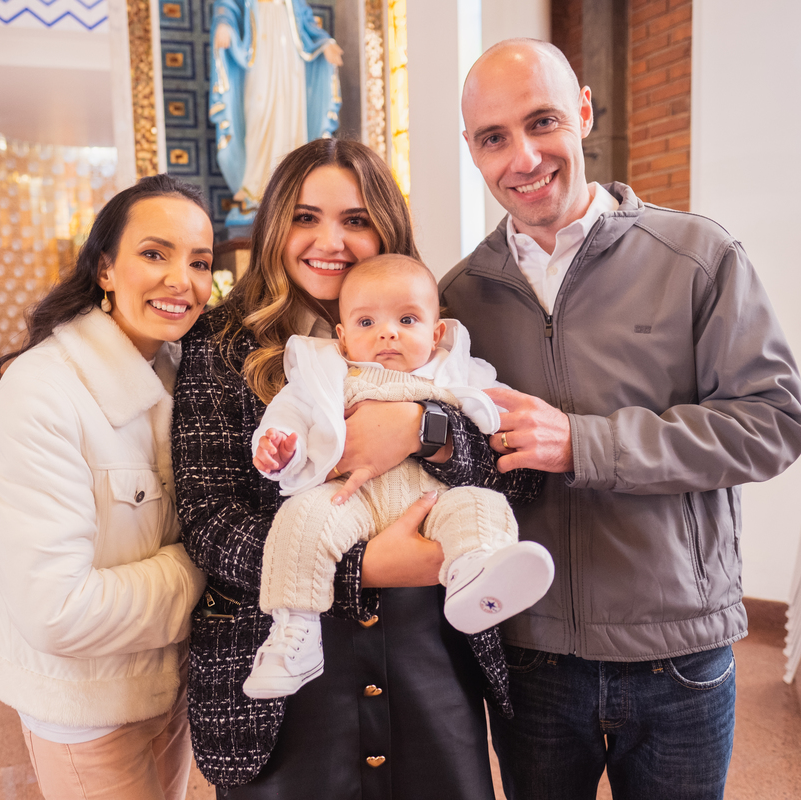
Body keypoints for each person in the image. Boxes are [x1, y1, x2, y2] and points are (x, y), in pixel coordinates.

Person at [441, 39, 801, 800]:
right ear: (473, 151)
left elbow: (773, 422)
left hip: (679, 655)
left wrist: (586, 443)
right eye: (493, 138)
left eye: (541, 122)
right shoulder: (459, 298)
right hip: (530, 652)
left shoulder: (699, 256)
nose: (524, 157)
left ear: (582, 112)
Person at [172, 137, 542, 798]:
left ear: (386, 229)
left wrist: (422, 429)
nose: (330, 241)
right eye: (306, 217)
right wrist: (363, 569)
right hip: (284, 661)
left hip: (426, 650)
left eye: (356, 219)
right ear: (275, 226)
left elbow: (518, 472)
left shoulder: (433, 331)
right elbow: (210, 522)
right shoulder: (223, 342)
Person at [0, 175, 212, 800]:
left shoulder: (186, 370)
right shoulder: (42, 392)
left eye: (200, 262)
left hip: (171, 685)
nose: (180, 280)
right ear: (105, 268)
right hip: (87, 709)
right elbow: (56, 610)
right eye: (154, 253)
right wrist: (210, 567)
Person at [243, 254, 554, 699]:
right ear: (343, 336)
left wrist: (486, 419)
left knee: (482, 505)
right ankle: (295, 631)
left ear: (436, 331)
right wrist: (278, 448)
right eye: (366, 322)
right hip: (351, 496)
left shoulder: (457, 370)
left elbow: (500, 420)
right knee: (300, 520)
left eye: (407, 319)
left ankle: (473, 569)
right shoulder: (326, 373)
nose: (387, 332)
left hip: (434, 501)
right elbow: (288, 417)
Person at [210, 0, 343, 222]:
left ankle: (293, 188)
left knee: (291, 120)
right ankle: (254, 188)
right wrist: (224, 25)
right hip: (259, 58)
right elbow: (227, 7)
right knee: (259, 115)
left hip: (291, 62)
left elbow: (307, 23)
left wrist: (325, 42)